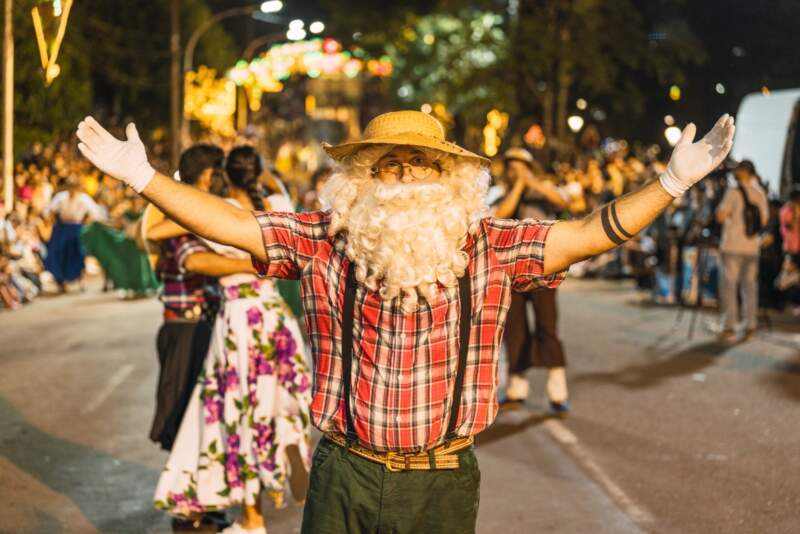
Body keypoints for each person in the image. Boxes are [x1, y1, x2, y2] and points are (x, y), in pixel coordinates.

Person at [77, 111, 734, 533]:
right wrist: (144, 177)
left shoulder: (490, 245)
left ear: (446, 176)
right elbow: (233, 224)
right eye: (388, 164)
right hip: (343, 474)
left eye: (421, 164)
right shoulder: (323, 238)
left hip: (442, 483)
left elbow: (589, 234)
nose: (406, 176)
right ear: (363, 176)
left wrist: (672, 182)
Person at [154, 146, 312, 534]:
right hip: (274, 316)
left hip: (239, 320)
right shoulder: (277, 203)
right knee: (279, 399)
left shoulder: (221, 209)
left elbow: (154, 231)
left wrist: (195, 206)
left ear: (224, 174)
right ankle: (291, 457)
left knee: (240, 409)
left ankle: (252, 518)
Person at [146, 145, 250, 533]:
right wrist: (251, 263)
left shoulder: (196, 210)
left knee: (204, 416)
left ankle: (202, 503)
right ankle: (188, 509)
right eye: (215, 173)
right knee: (184, 416)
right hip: (185, 329)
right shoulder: (181, 211)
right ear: (205, 176)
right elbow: (195, 261)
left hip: (199, 326)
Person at [494, 148, 569, 414]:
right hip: (511, 272)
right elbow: (499, 215)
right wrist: (517, 187)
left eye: (521, 167)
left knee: (547, 325)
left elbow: (562, 202)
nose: (516, 172)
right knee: (514, 330)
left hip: (544, 267)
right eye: (511, 168)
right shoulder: (503, 192)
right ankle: (517, 388)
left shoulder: (543, 188)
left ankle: (558, 391)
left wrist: (532, 182)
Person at [715, 160, 769, 342]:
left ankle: (730, 325)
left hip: (732, 245)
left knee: (730, 287)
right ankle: (750, 324)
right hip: (752, 247)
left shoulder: (733, 191)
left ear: (742, 172)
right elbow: (764, 221)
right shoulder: (760, 192)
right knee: (750, 287)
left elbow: (721, 216)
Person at [43, 176, 100, 292]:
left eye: (74, 188)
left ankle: (80, 280)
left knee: (78, 254)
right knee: (59, 253)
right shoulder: (61, 197)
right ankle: (61, 282)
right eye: (70, 187)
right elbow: (49, 211)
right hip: (62, 228)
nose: (72, 191)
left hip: (77, 228)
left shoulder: (84, 199)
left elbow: (96, 213)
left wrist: (86, 224)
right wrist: (51, 221)